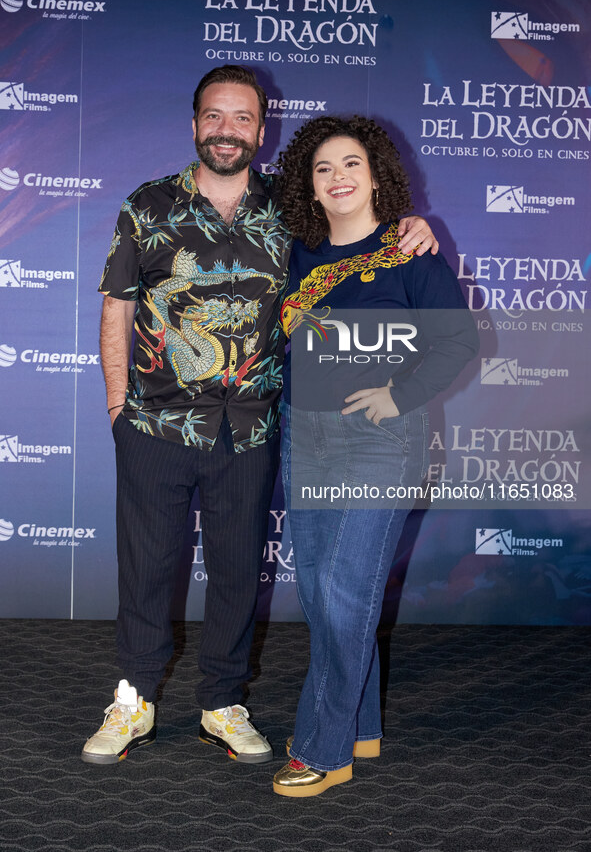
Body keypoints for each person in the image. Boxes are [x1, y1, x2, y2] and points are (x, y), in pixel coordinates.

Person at [82, 66, 439, 766]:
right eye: (214, 116)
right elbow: (117, 307)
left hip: (250, 429)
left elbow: (358, 236)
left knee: (239, 572)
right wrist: (117, 403)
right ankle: (132, 701)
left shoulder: (293, 211)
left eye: (241, 118)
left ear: (260, 130)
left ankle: (221, 702)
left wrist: (409, 224)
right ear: (194, 125)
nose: (226, 129)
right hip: (156, 424)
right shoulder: (148, 206)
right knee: (146, 571)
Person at [273, 115, 478, 796]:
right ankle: (359, 721)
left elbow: (455, 342)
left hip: (379, 440)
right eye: (323, 166)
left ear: (376, 174)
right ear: (307, 181)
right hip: (305, 435)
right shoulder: (295, 250)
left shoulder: (408, 251)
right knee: (320, 594)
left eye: (351, 163)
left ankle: (323, 748)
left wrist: (399, 392)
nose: (337, 177)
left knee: (343, 591)